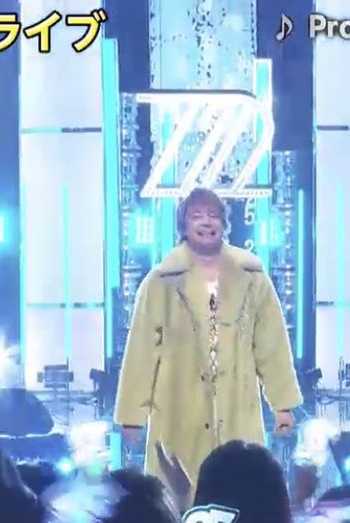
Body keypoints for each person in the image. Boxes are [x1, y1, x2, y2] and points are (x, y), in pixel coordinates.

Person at [115, 187, 302, 495]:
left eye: (214, 215)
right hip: (178, 408)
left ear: (225, 224)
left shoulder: (252, 277)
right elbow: (141, 352)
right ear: (184, 225)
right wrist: (132, 417)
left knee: (240, 491)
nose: (206, 222)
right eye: (197, 216)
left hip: (238, 405)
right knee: (179, 494)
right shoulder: (161, 281)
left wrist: (283, 405)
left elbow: (272, 345)